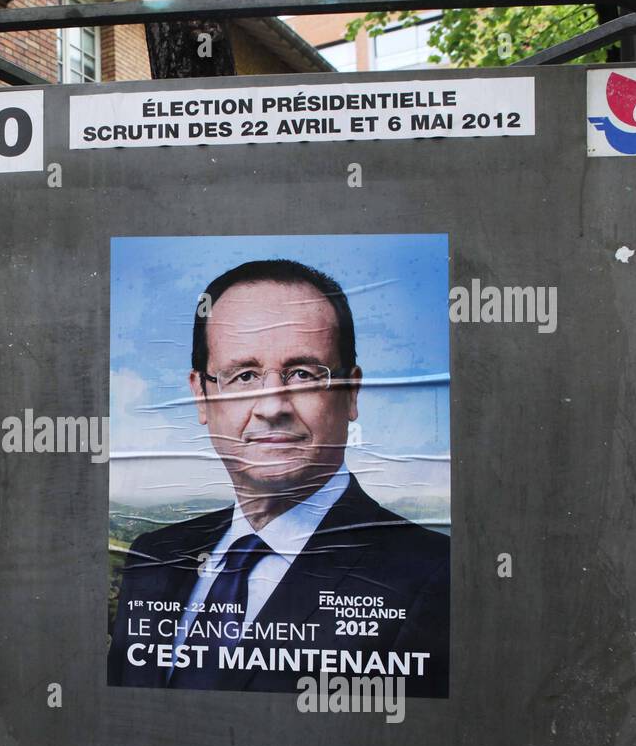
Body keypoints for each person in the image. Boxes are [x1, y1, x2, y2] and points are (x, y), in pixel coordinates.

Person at [108, 259, 449, 695]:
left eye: (304, 374)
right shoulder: (152, 558)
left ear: (351, 393)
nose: (272, 406)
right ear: (201, 395)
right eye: (244, 375)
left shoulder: (436, 577)